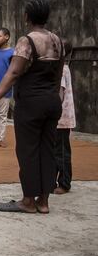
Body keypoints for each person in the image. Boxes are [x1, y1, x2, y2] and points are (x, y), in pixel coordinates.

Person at [0, 0, 64, 214]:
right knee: (47, 150)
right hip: (52, 101)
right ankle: (44, 201)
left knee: (28, 151)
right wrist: (54, 97)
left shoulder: (27, 41)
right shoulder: (57, 40)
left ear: (27, 17)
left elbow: (13, 72)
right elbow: (58, 74)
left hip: (31, 102)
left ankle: (28, 201)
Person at [54, 41, 75, 194]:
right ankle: (56, 181)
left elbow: (59, 93)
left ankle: (64, 183)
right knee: (58, 151)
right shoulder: (64, 68)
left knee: (61, 152)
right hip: (61, 118)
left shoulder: (61, 69)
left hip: (61, 118)